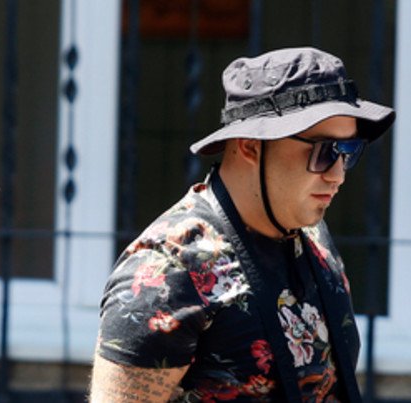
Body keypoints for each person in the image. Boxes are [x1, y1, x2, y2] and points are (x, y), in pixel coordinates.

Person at [90, 47, 395, 402]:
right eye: (324, 151)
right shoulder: (167, 269)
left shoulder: (314, 237)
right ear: (250, 146)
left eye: (349, 151)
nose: (338, 175)